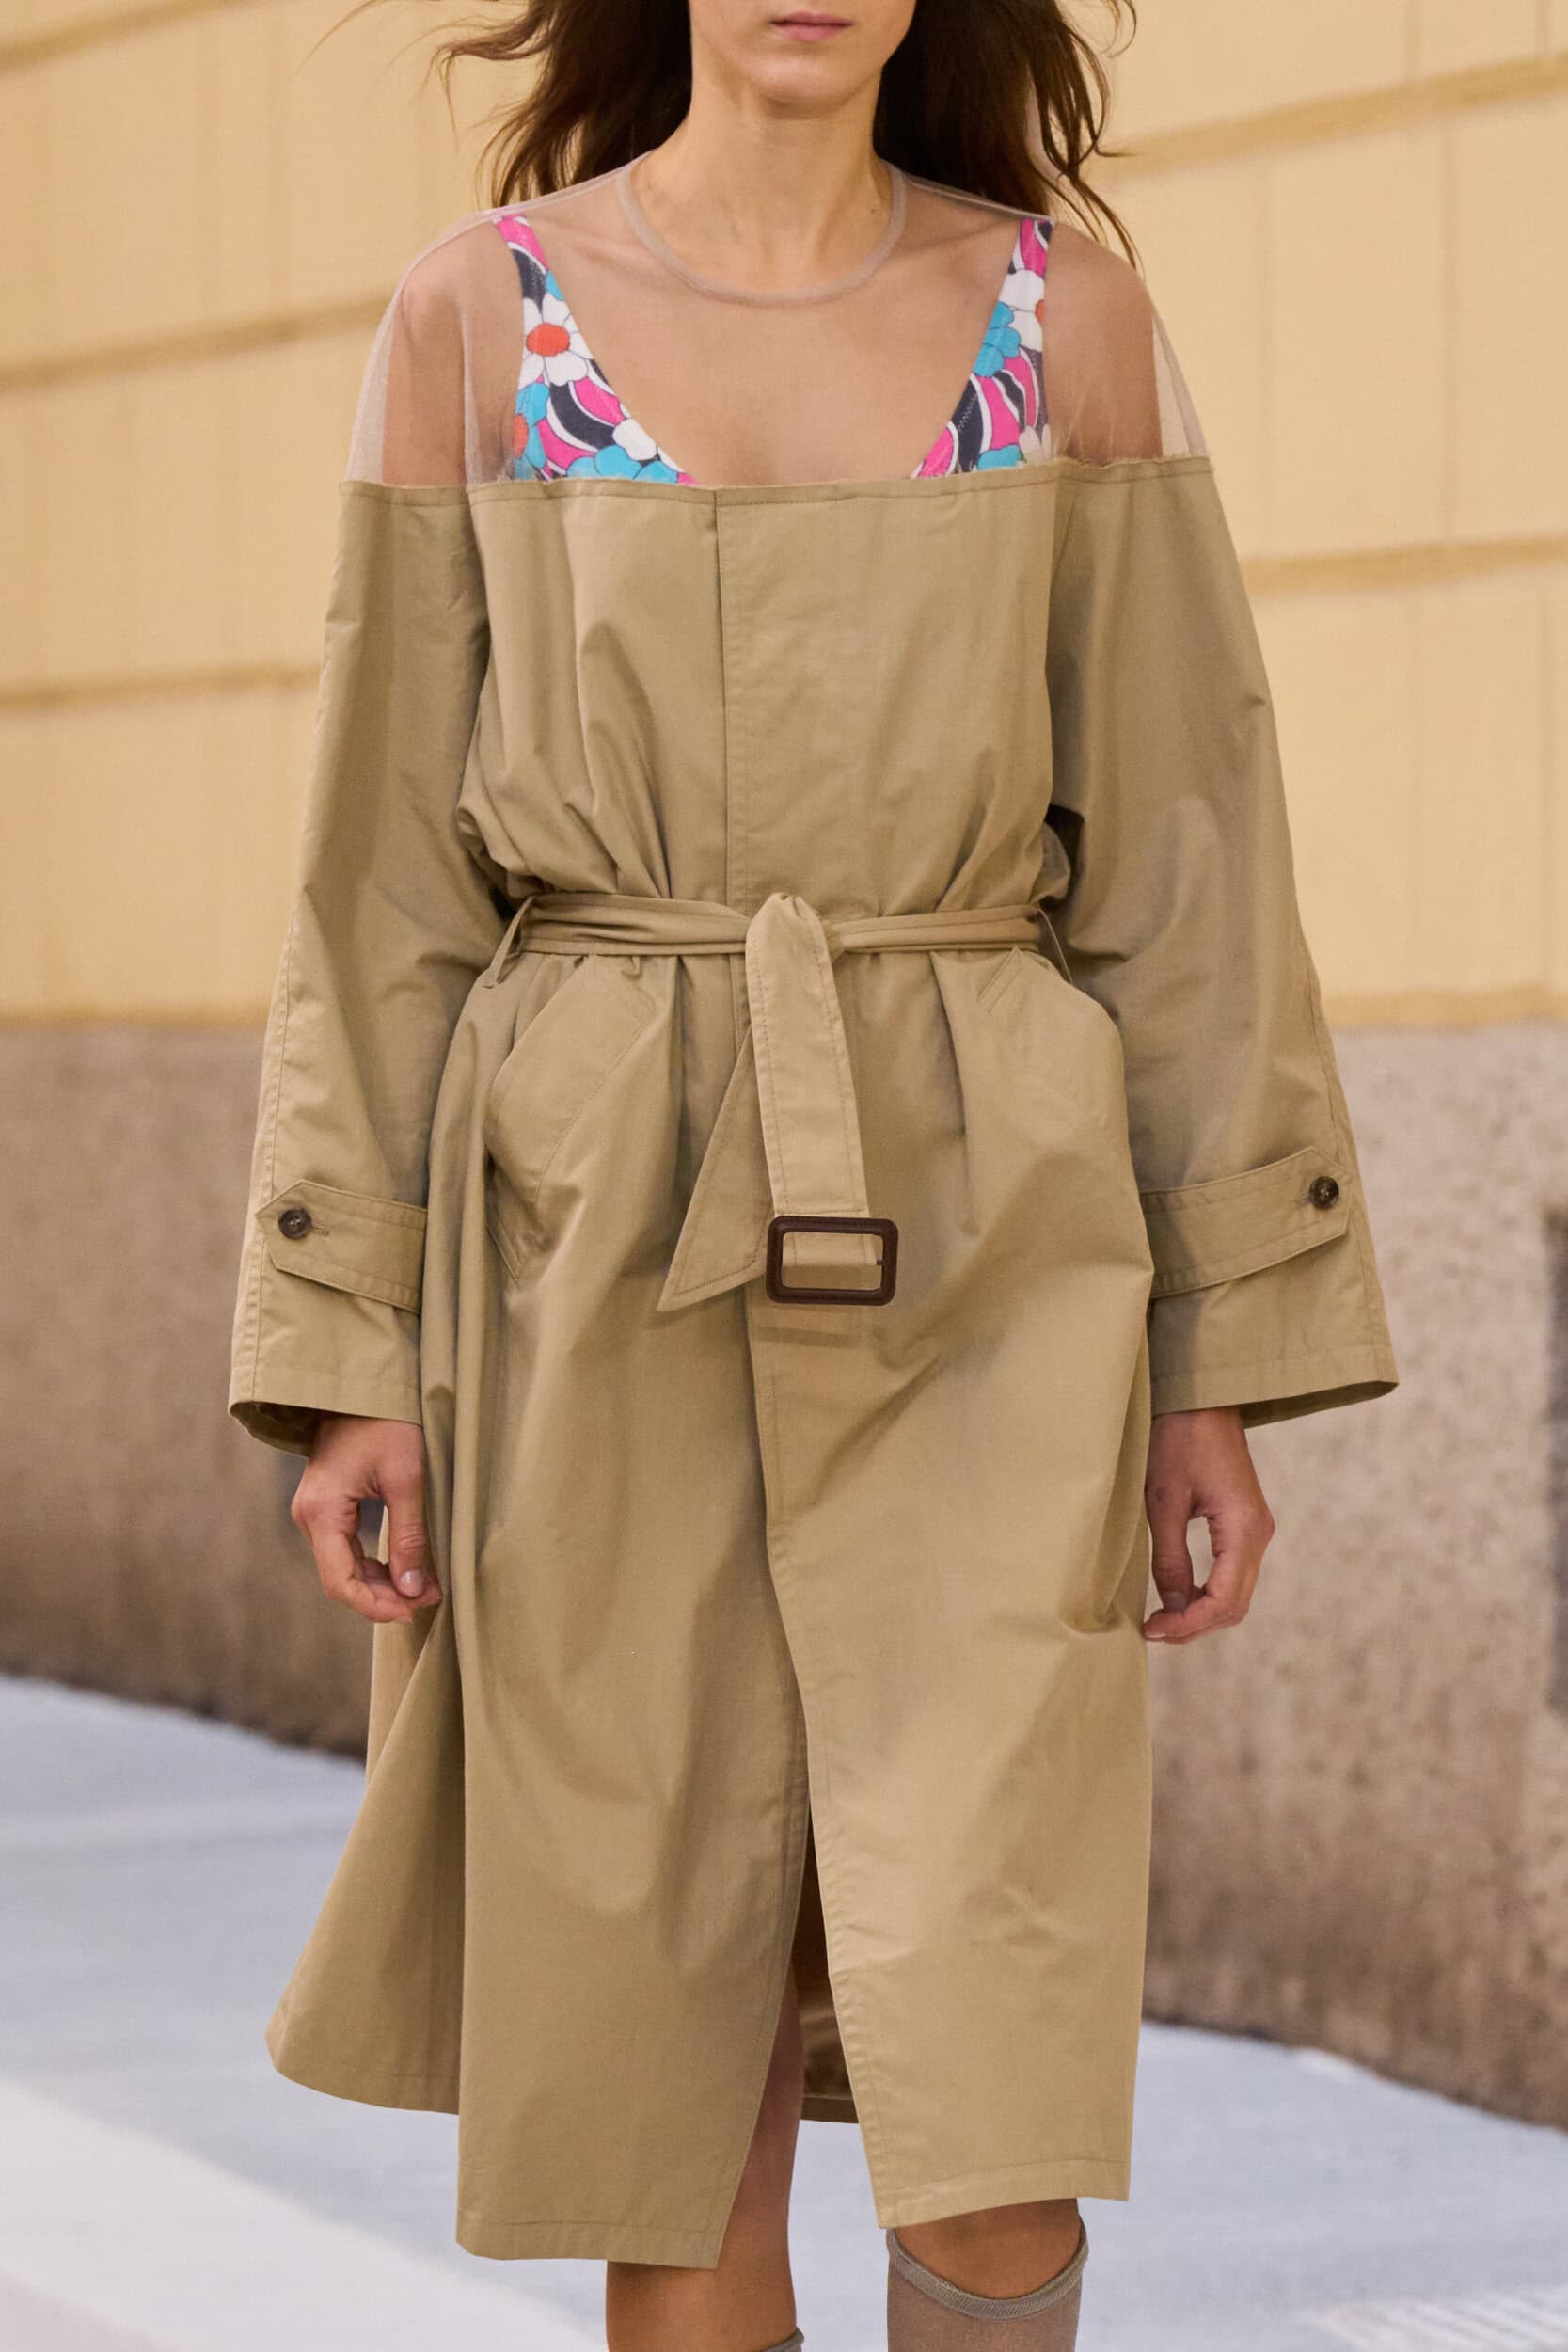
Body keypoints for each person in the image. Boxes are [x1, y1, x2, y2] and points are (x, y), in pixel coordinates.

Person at [227, 4, 1399, 2347]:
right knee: (672, 2072)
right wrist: (348, 1345)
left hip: (995, 1245)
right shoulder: (480, 316)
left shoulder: (1065, 322)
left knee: (998, 2051)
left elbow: (1185, 858)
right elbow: (381, 886)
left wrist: (1217, 1355)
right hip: (586, 1251)